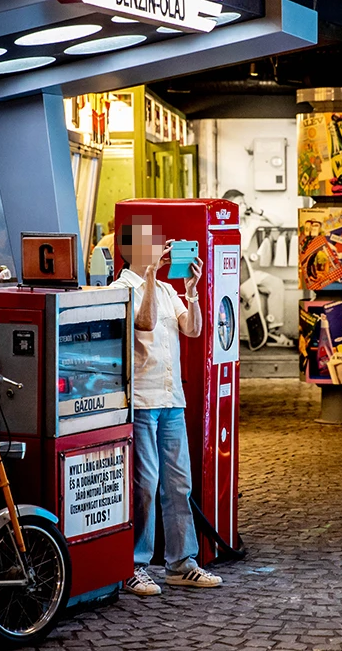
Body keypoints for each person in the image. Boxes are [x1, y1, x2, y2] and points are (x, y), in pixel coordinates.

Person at [111, 216, 223, 595]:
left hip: (172, 397)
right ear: (134, 250)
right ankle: (133, 564)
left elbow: (192, 329)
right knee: (145, 483)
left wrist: (191, 291)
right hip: (141, 400)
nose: (162, 248)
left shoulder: (168, 290)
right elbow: (141, 324)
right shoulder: (123, 286)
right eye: (154, 243)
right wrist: (148, 278)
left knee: (178, 483)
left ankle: (181, 562)